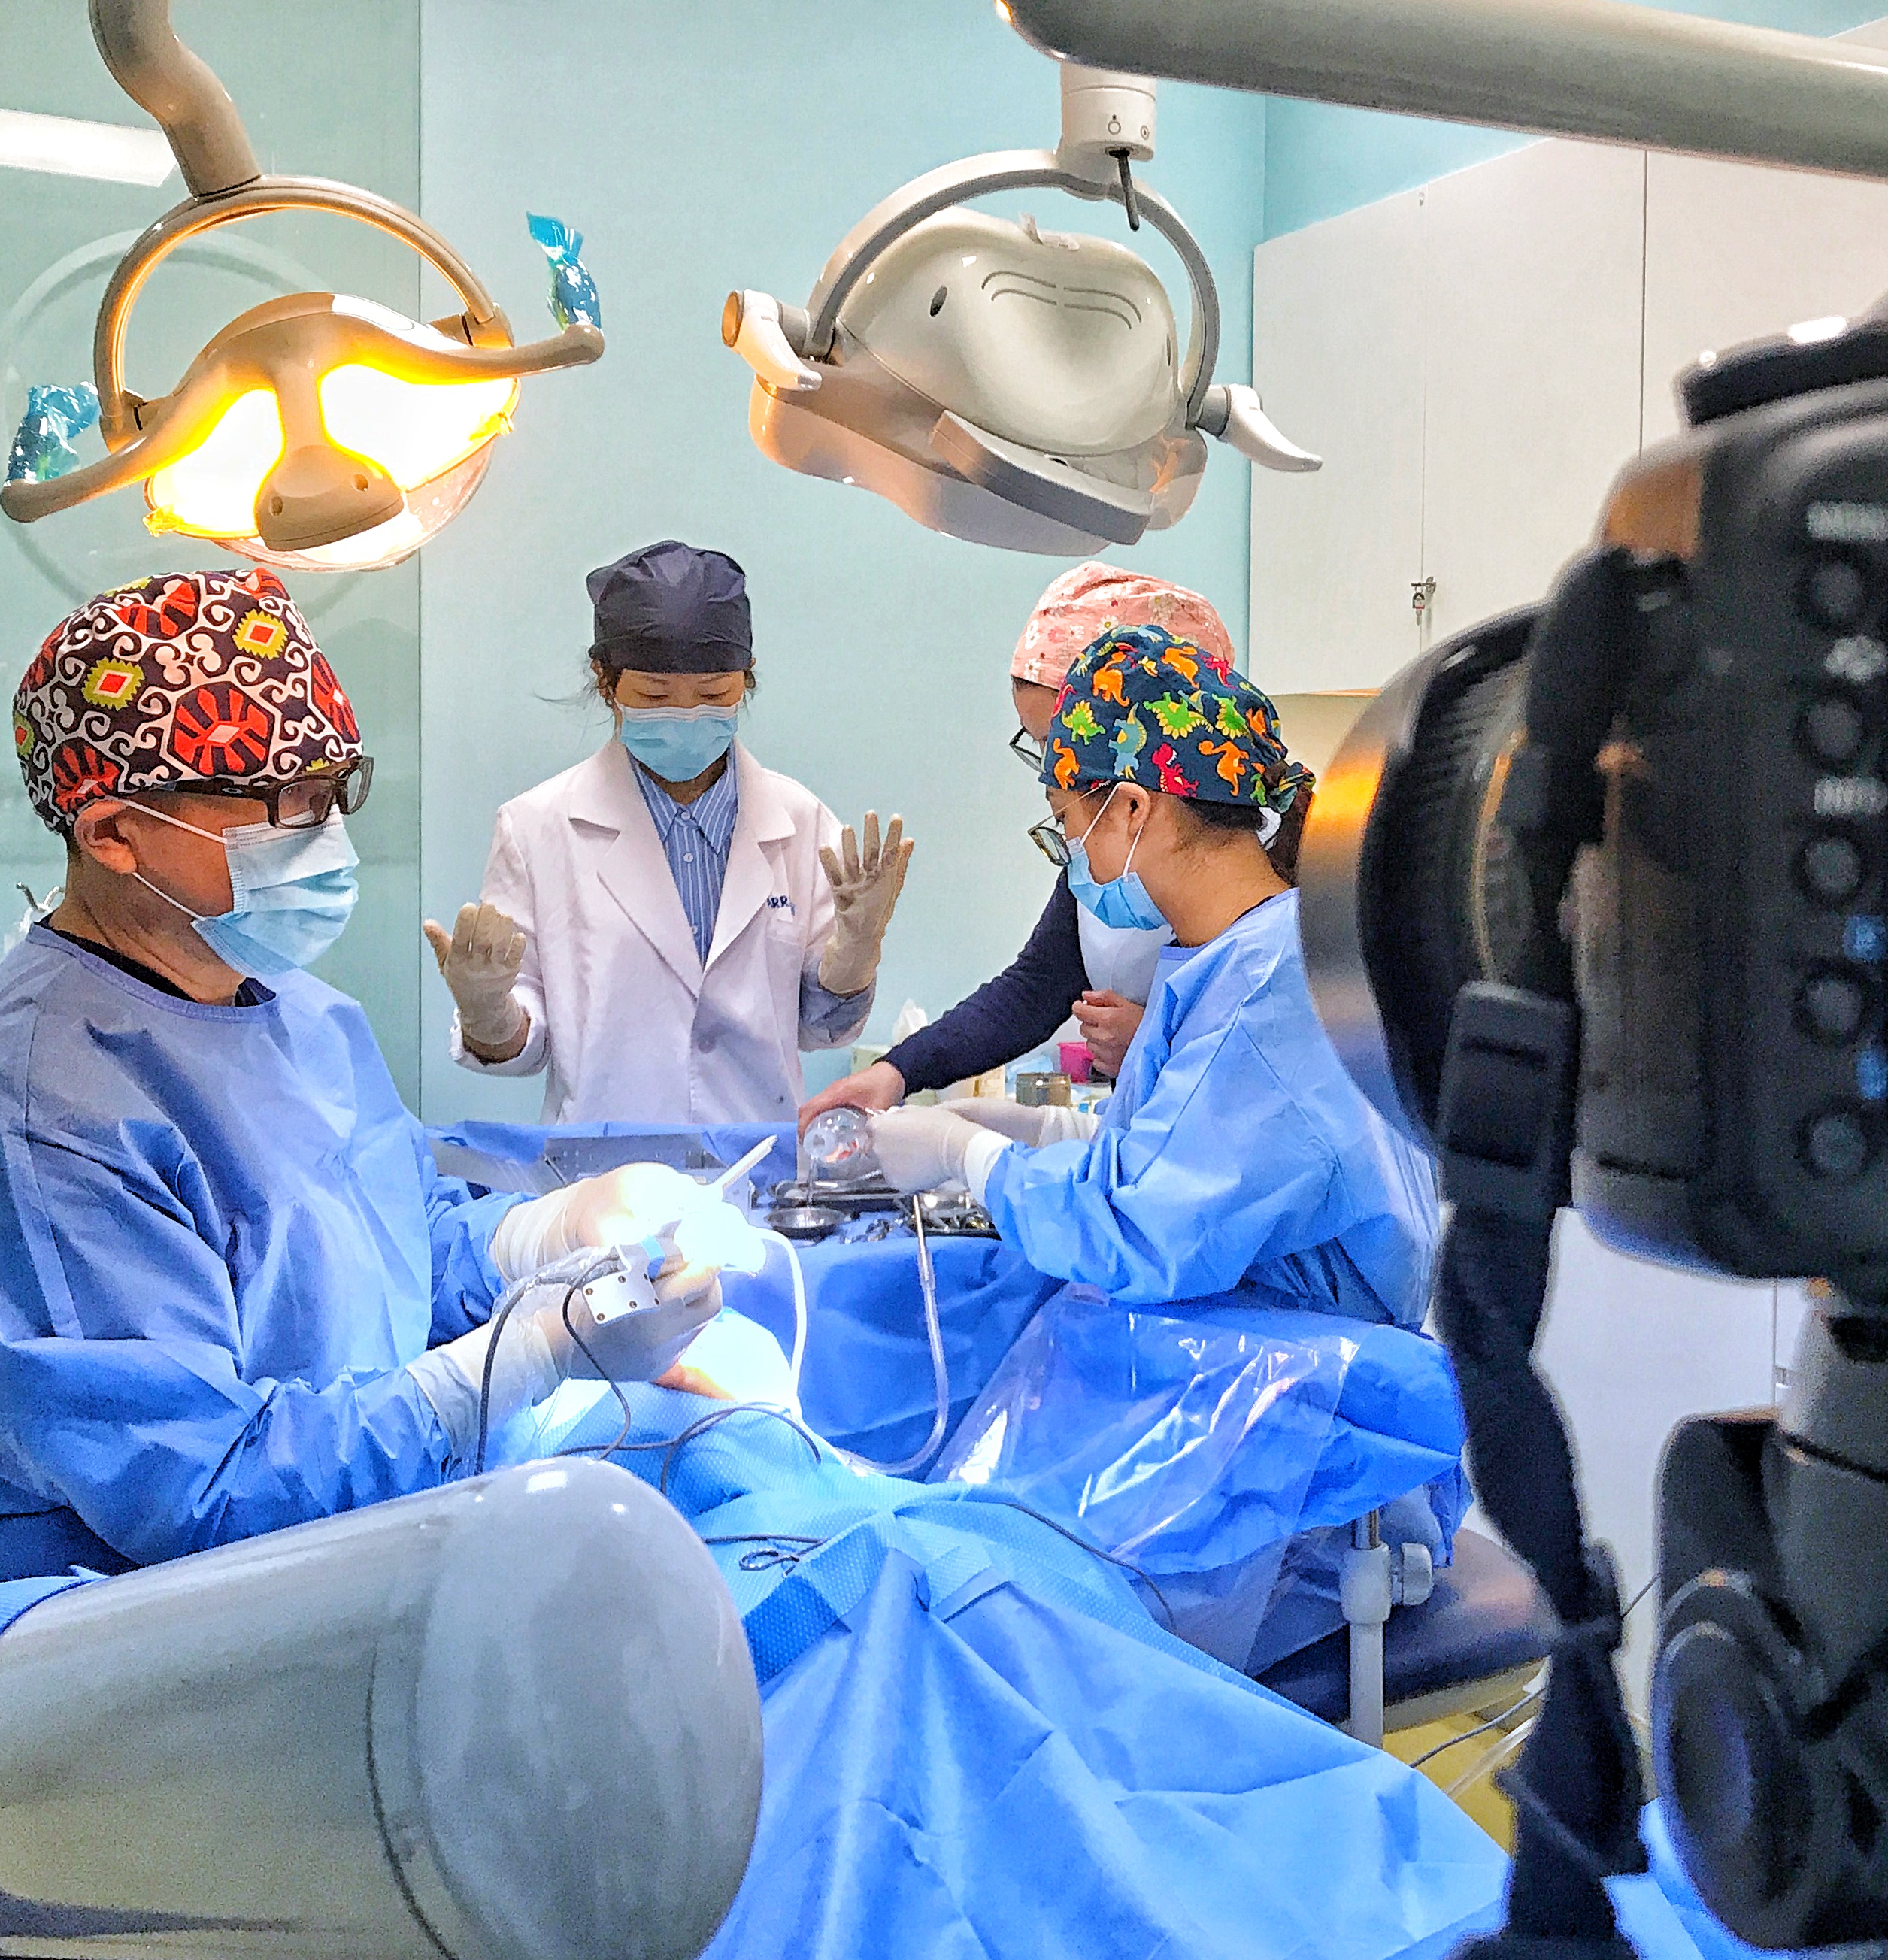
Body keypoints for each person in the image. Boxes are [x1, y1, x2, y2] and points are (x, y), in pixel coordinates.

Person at [0, 568, 732, 1585]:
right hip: (87, 1612)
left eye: (331, 790)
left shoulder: (298, 1012)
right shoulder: (30, 1113)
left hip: (336, 1516)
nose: (326, 832)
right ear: (112, 832)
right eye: (279, 803)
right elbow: (205, 1494)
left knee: (733, 1473)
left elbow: (397, 1250)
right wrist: (529, 1354)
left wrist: (551, 1234)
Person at [863, 626, 1451, 1664]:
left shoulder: (1268, 989)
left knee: (984, 1632)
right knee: (954, 1572)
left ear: (1133, 808)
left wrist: (965, 1155)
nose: (1076, 863)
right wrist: (1034, 1131)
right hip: (1234, 1416)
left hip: (1284, 1475)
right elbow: (1168, 1168)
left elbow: (1142, 1233)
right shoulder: (1235, 961)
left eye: (1067, 826)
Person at [426, 540, 914, 1124]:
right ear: (605, 682)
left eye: (713, 694)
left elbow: (821, 1026)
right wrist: (487, 1014)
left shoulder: (798, 820)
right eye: (655, 695)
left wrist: (855, 954)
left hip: (758, 1159)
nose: (686, 714)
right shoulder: (536, 828)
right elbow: (523, 1047)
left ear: (746, 679)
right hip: (603, 1166)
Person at [799, 562, 1241, 1123]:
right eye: (1038, 746)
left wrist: (1158, 1041)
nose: (1051, 774)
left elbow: (1273, 1064)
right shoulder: (1107, 857)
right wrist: (897, 1071)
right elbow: (1034, 989)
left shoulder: (1269, 894)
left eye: (1058, 743)